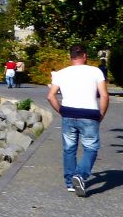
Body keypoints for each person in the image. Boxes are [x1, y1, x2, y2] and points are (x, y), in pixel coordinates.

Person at [46, 44, 109, 196]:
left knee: (69, 149)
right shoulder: (96, 71)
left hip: (68, 113)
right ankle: (80, 175)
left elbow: (50, 96)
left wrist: (61, 111)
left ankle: (70, 183)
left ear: (70, 57)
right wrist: (101, 114)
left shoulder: (61, 73)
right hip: (89, 114)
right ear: (85, 56)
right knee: (91, 148)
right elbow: (105, 95)